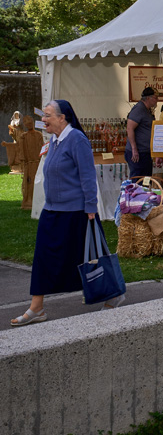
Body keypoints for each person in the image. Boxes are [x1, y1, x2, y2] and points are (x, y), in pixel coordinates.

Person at [10, 100, 123, 326]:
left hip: (77, 212)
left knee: (90, 256)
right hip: (52, 211)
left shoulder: (77, 140)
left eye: (48, 115)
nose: (44, 119)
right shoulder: (54, 141)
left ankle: (113, 293)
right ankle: (37, 307)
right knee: (43, 258)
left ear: (63, 118)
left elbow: (88, 176)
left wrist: (91, 207)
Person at [125, 86, 158, 179]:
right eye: (155, 98)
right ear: (148, 98)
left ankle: (145, 193)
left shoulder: (147, 110)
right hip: (138, 153)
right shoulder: (139, 109)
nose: (157, 100)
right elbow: (129, 128)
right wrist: (134, 149)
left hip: (145, 152)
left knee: (146, 180)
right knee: (138, 180)